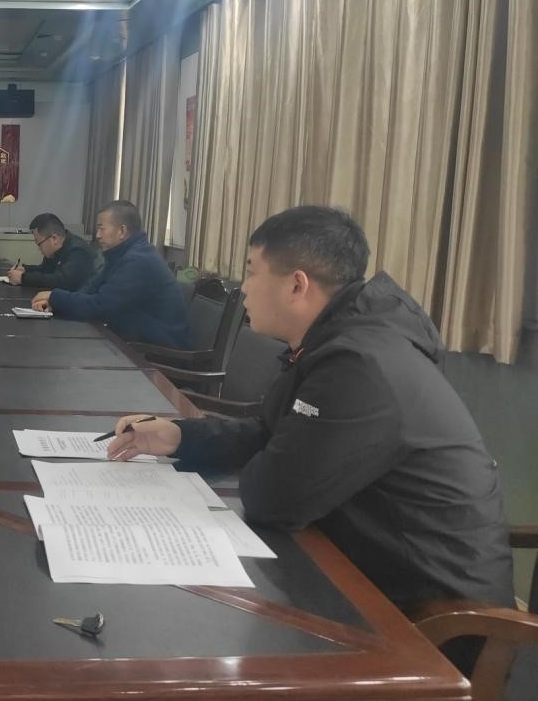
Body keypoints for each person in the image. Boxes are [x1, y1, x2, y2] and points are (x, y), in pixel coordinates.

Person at [106, 206, 514, 626]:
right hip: (369, 572)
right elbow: (272, 432)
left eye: (252, 272)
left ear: (297, 285)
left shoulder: (359, 365)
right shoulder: (335, 340)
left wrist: (274, 453)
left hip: (441, 624)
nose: (243, 289)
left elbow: (272, 498)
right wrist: (181, 436)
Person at [32, 201, 190, 348]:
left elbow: (100, 306)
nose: (98, 235)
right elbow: (91, 289)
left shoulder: (138, 261)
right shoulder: (120, 255)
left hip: (156, 348)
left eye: (102, 229)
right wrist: (56, 303)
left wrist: (54, 296)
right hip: (133, 337)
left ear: (122, 231)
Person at [7, 212, 95, 291]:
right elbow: (45, 270)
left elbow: (62, 281)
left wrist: (23, 279)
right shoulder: (56, 250)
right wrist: (25, 270)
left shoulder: (78, 251)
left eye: (39, 243)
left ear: (54, 238)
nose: (39, 248)